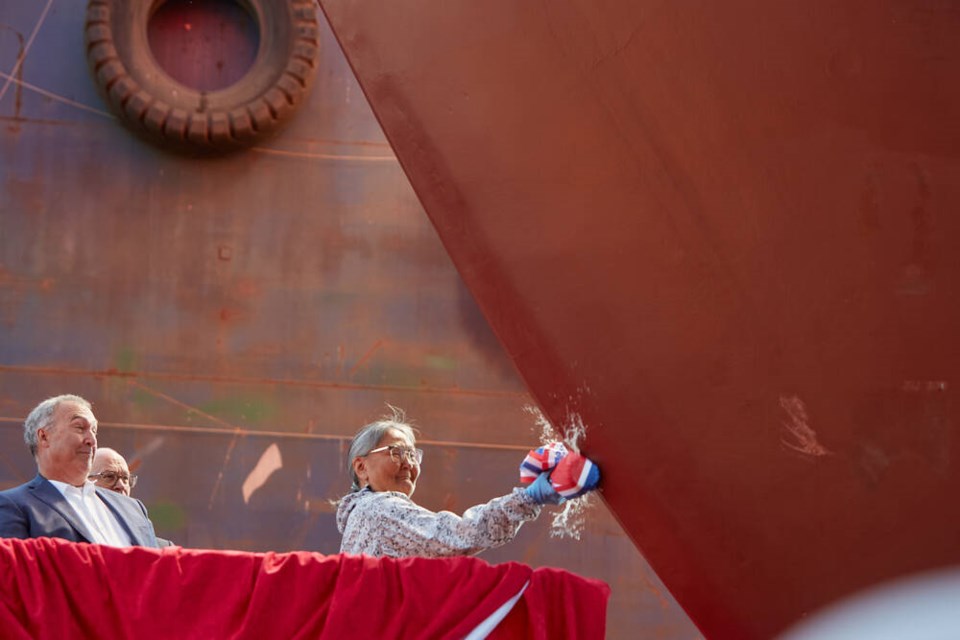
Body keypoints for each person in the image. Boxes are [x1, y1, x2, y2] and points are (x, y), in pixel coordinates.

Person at [336, 407, 599, 558]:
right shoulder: (379, 510)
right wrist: (529, 498)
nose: (409, 463)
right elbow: (460, 535)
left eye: (412, 455)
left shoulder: (360, 516)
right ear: (362, 467)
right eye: (396, 452)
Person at [0, 394, 161, 548]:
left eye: (94, 430)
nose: (92, 440)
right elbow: (16, 574)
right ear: (44, 437)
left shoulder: (132, 507)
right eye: (80, 427)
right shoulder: (14, 506)